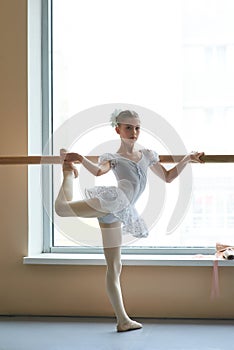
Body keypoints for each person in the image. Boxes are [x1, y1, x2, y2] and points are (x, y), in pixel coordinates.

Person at [55, 109, 204, 332]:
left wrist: (187, 159)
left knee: (115, 266)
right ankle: (68, 172)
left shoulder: (148, 155)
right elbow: (97, 171)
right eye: (128, 127)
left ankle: (123, 320)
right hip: (114, 200)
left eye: (137, 128)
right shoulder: (113, 158)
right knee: (61, 209)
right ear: (118, 129)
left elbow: (168, 177)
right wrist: (81, 159)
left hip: (121, 210)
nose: (134, 132)